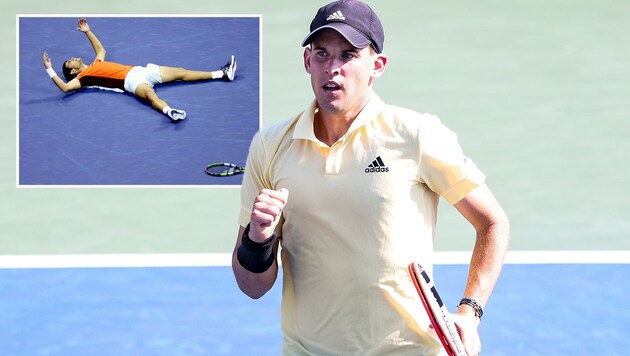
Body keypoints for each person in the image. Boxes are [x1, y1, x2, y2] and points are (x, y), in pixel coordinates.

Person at [232, 0, 510, 355]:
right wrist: (258, 239)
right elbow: (252, 286)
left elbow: (493, 223)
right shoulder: (270, 147)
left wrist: (470, 313)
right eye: (321, 53)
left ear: (377, 66)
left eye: (348, 55)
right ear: (307, 61)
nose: (332, 68)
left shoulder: (416, 134)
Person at [42, 18, 237, 121]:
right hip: (132, 83)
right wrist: (50, 70)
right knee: (152, 97)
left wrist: (88, 32)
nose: (73, 59)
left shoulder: (96, 63)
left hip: (142, 71)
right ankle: (170, 112)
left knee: (180, 72)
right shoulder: (83, 78)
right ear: (74, 72)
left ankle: (223, 73)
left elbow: (101, 49)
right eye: (70, 63)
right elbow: (66, 88)